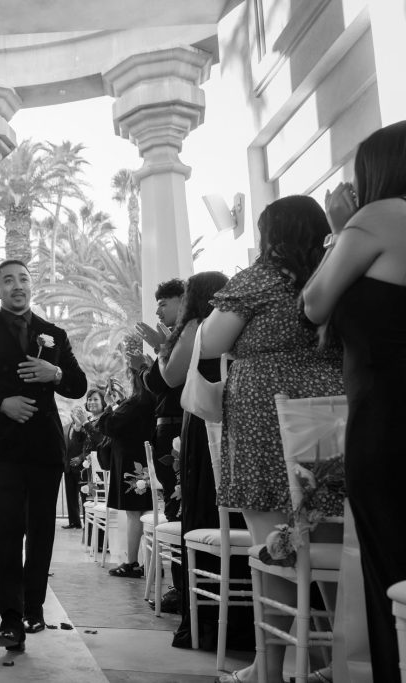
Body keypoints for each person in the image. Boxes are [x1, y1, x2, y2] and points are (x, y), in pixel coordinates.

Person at [200, 195, 344, 683]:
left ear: (272, 235)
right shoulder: (335, 270)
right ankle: (331, 662)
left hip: (266, 420)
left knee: (273, 544)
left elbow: (213, 342)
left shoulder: (264, 276)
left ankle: (272, 666)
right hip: (327, 417)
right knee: (327, 537)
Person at [303, 120, 406, 683]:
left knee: (392, 568)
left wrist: (340, 230)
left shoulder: (378, 216)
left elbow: (315, 303)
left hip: (390, 414)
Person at [0, 260, 87, 652]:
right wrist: (1, 402)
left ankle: (34, 607)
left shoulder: (54, 334)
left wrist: (56, 373)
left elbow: (78, 386)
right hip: (0, 451)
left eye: (23, 279)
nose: (17, 286)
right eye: (8, 280)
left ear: (32, 287)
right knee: (7, 531)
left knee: (42, 531)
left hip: (45, 449)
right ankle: (10, 617)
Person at [155, 271, 253, 650]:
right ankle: (245, 616)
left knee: (207, 503)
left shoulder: (197, 324)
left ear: (192, 296)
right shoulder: (238, 320)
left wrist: (165, 344)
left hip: (203, 422)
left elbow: (171, 375)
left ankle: (209, 622)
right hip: (237, 418)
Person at [93, 370, 155, 578]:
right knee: (145, 511)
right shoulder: (150, 401)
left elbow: (109, 425)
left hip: (131, 463)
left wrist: (110, 405)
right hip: (141, 461)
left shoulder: (137, 402)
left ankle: (131, 562)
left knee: (134, 512)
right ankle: (148, 561)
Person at [133, 279, 185, 522]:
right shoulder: (176, 337)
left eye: (163, 304)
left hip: (178, 424)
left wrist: (146, 364)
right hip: (169, 424)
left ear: (183, 300)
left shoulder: (186, 336)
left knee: (178, 496)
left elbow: (160, 383)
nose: (157, 311)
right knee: (174, 495)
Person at [62, 388, 109, 529]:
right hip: (88, 468)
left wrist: (85, 424)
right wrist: (77, 426)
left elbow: (100, 439)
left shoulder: (106, 418)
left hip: (101, 466)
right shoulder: (88, 420)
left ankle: (100, 540)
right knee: (89, 501)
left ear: (103, 402)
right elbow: (80, 441)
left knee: (98, 502)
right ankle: (91, 538)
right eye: (89, 399)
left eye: (95, 399)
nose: (91, 402)